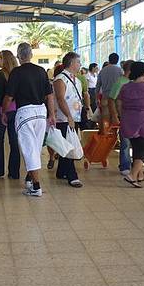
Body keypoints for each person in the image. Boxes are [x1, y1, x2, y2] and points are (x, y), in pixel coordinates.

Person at [3, 43, 55, 197]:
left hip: (25, 113)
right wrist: (51, 114)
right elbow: (49, 95)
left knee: (29, 148)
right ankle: (30, 178)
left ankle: (36, 186)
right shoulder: (41, 71)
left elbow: (9, 97)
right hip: (41, 112)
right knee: (36, 147)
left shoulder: (16, 73)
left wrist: (4, 111)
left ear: (18, 56)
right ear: (31, 55)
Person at [54, 52, 84, 188]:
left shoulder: (77, 80)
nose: (80, 65)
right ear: (71, 63)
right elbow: (60, 99)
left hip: (74, 117)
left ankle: (61, 171)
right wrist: (69, 116)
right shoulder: (60, 79)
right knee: (68, 146)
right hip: (64, 118)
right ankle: (72, 175)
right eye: (78, 62)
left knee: (67, 143)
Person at [0, 50, 20, 179]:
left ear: (4, 59)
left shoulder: (2, 74)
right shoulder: (17, 73)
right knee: (14, 141)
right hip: (16, 110)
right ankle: (14, 172)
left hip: (2, 110)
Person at [109, 60, 134, 176]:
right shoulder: (120, 82)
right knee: (125, 142)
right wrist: (114, 115)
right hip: (124, 115)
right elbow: (111, 99)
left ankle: (135, 164)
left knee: (134, 142)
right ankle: (124, 165)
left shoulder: (133, 82)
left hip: (133, 116)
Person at [96, 53, 123, 130]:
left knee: (105, 118)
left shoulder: (102, 71)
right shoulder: (120, 70)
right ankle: (117, 137)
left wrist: (97, 98)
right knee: (118, 118)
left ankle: (106, 135)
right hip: (117, 98)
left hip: (105, 97)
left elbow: (98, 86)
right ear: (117, 60)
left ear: (109, 59)